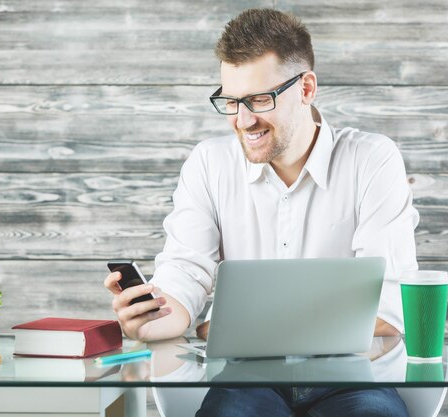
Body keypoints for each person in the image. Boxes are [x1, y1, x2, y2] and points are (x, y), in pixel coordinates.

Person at [105, 8, 418, 417]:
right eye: (231, 102)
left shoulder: (371, 160)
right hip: (245, 381)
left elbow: (389, 310)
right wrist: (153, 319)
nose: (243, 120)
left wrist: (233, 331)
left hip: (355, 379)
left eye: (258, 99)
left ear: (306, 89)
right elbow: (186, 271)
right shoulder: (209, 164)